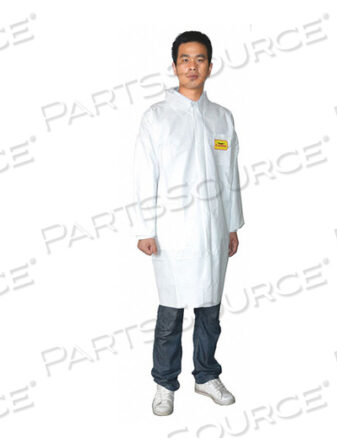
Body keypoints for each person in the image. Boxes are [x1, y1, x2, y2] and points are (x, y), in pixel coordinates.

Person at [132, 31, 244, 416]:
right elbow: (145, 176)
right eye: (185, 59)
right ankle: (164, 384)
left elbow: (230, 176)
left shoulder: (221, 118)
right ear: (174, 65)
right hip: (172, 231)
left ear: (210, 66)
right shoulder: (157, 117)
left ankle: (206, 375)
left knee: (210, 310)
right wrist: (145, 229)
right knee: (171, 312)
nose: (192, 66)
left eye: (199, 59)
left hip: (213, 229)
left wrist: (232, 225)